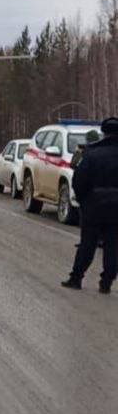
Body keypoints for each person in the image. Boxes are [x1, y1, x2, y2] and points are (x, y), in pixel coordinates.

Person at [61, 116, 118, 293]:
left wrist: (84, 200)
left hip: (94, 205)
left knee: (87, 244)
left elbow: (79, 180)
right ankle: (106, 282)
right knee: (113, 245)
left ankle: (76, 278)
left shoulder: (92, 154)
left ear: (104, 132)